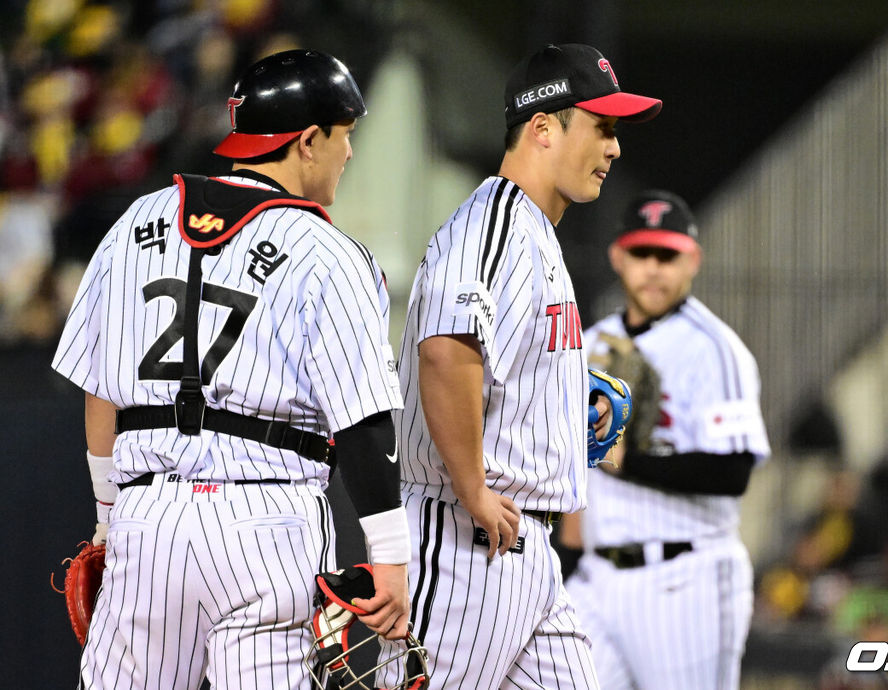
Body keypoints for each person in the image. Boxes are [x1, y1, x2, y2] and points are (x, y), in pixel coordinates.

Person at [51, 49, 412, 689]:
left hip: (147, 518)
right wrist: (389, 558)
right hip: (267, 523)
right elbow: (364, 425)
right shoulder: (328, 251)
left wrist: (109, 517)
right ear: (307, 141)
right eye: (344, 135)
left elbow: (100, 390)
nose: (349, 154)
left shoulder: (135, 221)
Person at [379, 43, 661, 689]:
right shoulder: (494, 226)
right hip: (464, 544)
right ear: (542, 128)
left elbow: (492, 356)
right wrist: (474, 488)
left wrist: (561, 399)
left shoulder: (533, 231)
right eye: (603, 127)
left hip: (523, 555)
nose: (615, 148)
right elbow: (446, 350)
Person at [560, 190, 771, 689]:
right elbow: (576, 470)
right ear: (618, 256)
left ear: (692, 259)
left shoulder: (716, 350)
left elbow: (732, 472)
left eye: (667, 255)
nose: (653, 268)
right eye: (641, 253)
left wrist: (624, 458)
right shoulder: (589, 345)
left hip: (685, 580)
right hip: (596, 578)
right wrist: (567, 562)